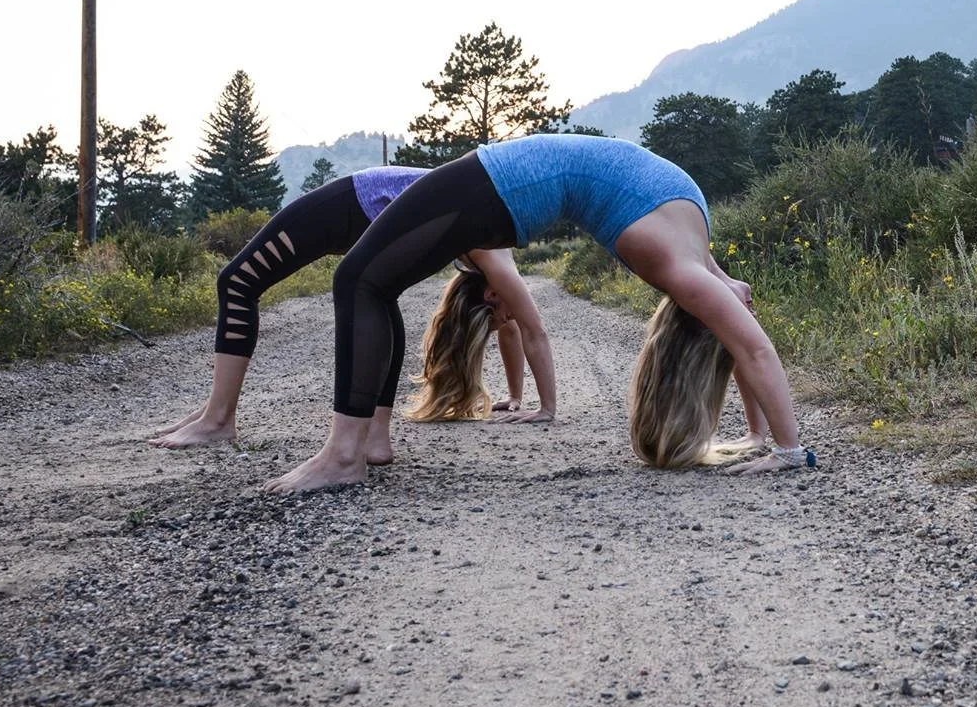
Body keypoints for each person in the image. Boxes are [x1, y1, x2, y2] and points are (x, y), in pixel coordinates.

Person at [263, 134, 810, 494]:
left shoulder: (688, 241)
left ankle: (352, 451)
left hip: (513, 178)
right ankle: (354, 449)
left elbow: (739, 323)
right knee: (364, 280)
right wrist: (782, 448)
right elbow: (749, 341)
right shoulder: (676, 265)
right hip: (509, 180)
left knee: (362, 279)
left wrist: (766, 438)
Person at [152, 166, 545, 460]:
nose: (507, 320)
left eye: (501, 318)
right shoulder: (493, 260)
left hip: (355, 203)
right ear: (492, 295)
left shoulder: (493, 262)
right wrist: (528, 400)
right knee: (380, 295)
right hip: (367, 199)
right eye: (503, 316)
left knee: (238, 280)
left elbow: (524, 329)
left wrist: (534, 403)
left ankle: (218, 419)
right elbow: (525, 329)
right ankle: (373, 438)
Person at [397, 249, 557, 423]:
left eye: (502, 318)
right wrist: (514, 396)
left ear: (491, 295)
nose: (510, 319)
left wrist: (547, 409)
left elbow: (535, 334)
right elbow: (510, 331)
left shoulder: (497, 271)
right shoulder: (488, 268)